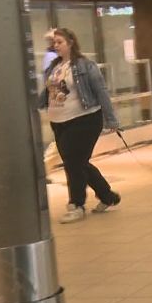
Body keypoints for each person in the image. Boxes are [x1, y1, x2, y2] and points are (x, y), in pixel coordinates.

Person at [38, 27, 121, 223]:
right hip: (59, 122)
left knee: (73, 164)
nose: (56, 45)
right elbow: (48, 92)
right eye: (54, 42)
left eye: (60, 42)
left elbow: (101, 92)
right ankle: (107, 196)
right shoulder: (54, 66)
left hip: (84, 120)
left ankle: (76, 205)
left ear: (71, 43)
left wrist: (111, 120)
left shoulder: (85, 65)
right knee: (77, 162)